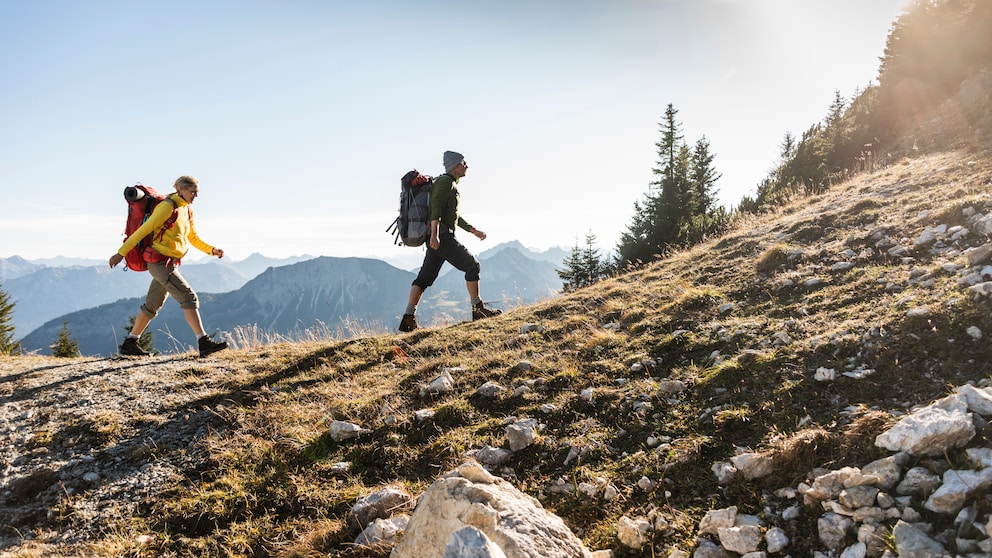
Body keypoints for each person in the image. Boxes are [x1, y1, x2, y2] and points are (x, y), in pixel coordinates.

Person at [109, 175, 229, 357]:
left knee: (152, 305)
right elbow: (143, 231)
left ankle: (130, 343)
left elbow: (192, 237)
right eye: (192, 192)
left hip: (169, 263)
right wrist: (121, 253)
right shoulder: (167, 207)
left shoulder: (187, 210)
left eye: (197, 193)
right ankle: (203, 342)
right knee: (189, 298)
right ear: (181, 189)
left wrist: (211, 250)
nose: (195, 196)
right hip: (158, 262)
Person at [399, 151, 501, 332]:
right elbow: (436, 209)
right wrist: (435, 235)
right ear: (455, 165)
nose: (467, 166)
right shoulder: (446, 183)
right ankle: (478, 310)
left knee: (424, 279)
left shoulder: (448, 183)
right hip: (442, 238)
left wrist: (473, 230)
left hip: (437, 237)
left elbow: (452, 215)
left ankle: (408, 318)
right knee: (472, 266)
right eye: (464, 162)